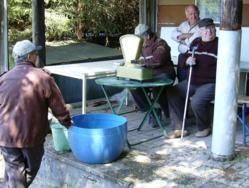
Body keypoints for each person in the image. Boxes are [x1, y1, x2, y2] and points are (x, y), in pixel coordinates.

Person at [0, 40, 72, 187]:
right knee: (28, 171)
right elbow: (59, 108)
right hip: (31, 138)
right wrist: (68, 123)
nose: (37, 56)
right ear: (29, 57)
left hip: (6, 136)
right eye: (35, 53)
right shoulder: (43, 78)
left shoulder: (3, 79)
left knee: (15, 174)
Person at [167, 18, 218, 139]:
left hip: (210, 83)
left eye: (211, 28)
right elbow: (186, 56)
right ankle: (179, 128)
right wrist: (187, 60)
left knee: (196, 101)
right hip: (193, 81)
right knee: (173, 92)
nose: (209, 31)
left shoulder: (220, 45)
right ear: (200, 31)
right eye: (205, 29)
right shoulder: (196, 42)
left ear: (215, 29)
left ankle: (204, 127)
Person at [130, 24, 176, 127]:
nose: (139, 39)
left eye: (140, 37)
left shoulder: (160, 43)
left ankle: (159, 110)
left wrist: (139, 62)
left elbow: (157, 61)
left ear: (147, 35)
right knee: (134, 86)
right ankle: (153, 109)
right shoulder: (141, 44)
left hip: (164, 73)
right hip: (149, 74)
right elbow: (138, 59)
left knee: (157, 91)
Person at [171, 4, 200, 82]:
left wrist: (183, 37)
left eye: (195, 13)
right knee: (181, 76)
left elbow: (197, 40)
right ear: (187, 15)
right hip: (183, 54)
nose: (193, 16)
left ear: (198, 13)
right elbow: (173, 34)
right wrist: (188, 36)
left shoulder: (202, 25)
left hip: (196, 55)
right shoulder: (183, 24)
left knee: (192, 78)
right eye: (190, 14)